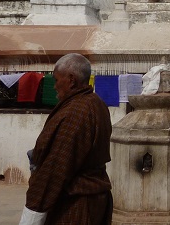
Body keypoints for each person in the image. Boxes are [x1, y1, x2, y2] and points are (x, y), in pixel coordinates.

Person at [21, 53, 112, 225]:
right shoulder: (95, 103)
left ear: (71, 80)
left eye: (56, 80)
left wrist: (32, 214)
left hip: (76, 205)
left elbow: (55, 167)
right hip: (95, 200)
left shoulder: (76, 113)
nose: (54, 86)